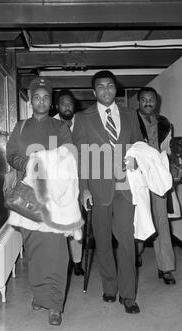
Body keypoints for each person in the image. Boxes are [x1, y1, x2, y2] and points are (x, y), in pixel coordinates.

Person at [73, 70, 143, 313]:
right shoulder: (83, 118)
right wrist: (83, 189)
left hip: (126, 187)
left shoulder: (130, 115)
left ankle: (129, 295)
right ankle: (110, 287)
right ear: (94, 92)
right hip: (97, 187)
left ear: (116, 88)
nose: (106, 90)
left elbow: (138, 146)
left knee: (126, 241)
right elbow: (80, 157)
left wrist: (136, 159)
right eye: (100, 87)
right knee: (102, 241)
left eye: (110, 85)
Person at [6, 77, 73, 326]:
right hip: (27, 196)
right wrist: (27, 164)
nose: (41, 101)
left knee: (56, 252)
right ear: (31, 100)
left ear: (50, 101)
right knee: (33, 249)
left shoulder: (60, 128)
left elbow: (70, 155)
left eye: (46, 97)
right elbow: (11, 153)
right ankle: (39, 294)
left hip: (55, 196)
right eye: (37, 97)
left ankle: (55, 304)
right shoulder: (20, 126)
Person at [136, 86, 176, 285]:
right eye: (144, 99)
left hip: (157, 177)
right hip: (136, 177)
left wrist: (177, 166)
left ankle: (166, 267)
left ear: (156, 102)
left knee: (161, 221)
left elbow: (168, 152)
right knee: (136, 219)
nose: (148, 102)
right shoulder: (129, 121)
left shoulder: (165, 124)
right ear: (139, 101)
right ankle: (135, 256)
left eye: (151, 99)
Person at [54, 89, 85, 276]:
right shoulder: (50, 124)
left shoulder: (82, 122)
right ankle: (60, 262)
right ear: (57, 106)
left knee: (77, 222)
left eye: (70, 103)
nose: (67, 106)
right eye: (63, 103)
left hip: (80, 181)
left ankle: (77, 261)